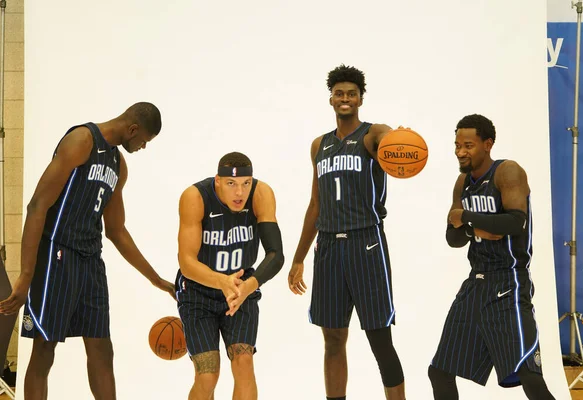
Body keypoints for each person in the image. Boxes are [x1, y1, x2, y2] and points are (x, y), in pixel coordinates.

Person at [0, 102, 176, 400]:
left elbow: (117, 231)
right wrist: (26, 275)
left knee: (101, 349)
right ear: (133, 129)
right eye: (144, 141)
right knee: (45, 348)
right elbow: (37, 205)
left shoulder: (119, 166)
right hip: (56, 254)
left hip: (90, 261)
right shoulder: (82, 140)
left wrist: (156, 279)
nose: (143, 147)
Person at [288, 64, 406, 400]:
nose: (345, 98)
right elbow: (315, 204)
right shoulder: (319, 145)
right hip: (327, 247)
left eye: (351, 94)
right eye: (339, 93)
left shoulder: (371, 134)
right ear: (331, 99)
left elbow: (387, 139)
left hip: (365, 242)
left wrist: (398, 140)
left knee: (379, 338)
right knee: (333, 338)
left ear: (360, 99)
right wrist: (298, 259)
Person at [428, 114, 556, 399]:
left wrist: (467, 218)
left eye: (468, 145)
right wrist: (476, 230)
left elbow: (515, 222)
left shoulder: (507, 171)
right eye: (457, 145)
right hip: (476, 284)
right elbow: (453, 238)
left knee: (529, 377)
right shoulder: (462, 182)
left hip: (509, 282)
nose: (461, 152)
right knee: (439, 372)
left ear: (487, 144)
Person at [176, 151, 284, 400]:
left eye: (246, 183)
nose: (240, 193)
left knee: (244, 363)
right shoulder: (195, 197)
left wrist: (246, 287)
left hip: (241, 291)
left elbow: (276, 255)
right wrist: (221, 281)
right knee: (207, 374)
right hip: (198, 293)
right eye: (231, 184)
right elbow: (186, 263)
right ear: (217, 181)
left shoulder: (261, 194)